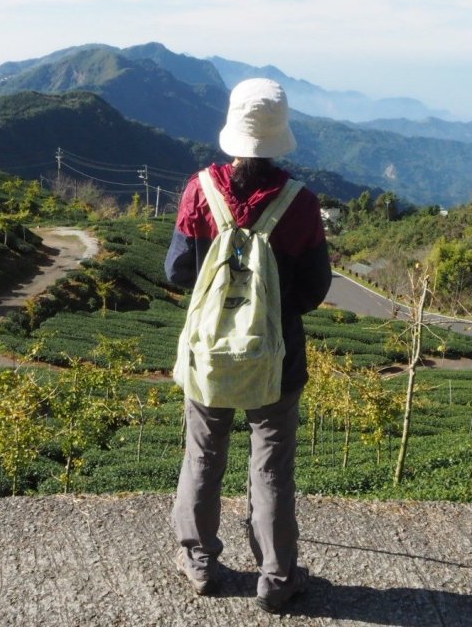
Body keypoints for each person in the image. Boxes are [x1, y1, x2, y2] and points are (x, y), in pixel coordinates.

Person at [165, 78, 332, 613]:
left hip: (211, 353)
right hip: (275, 358)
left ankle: (199, 561)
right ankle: (278, 578)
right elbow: (314, 289)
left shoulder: (200, 191)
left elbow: (176, 270)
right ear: (280, 135)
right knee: (271, 468)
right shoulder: (300, 204)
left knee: (203, 454)